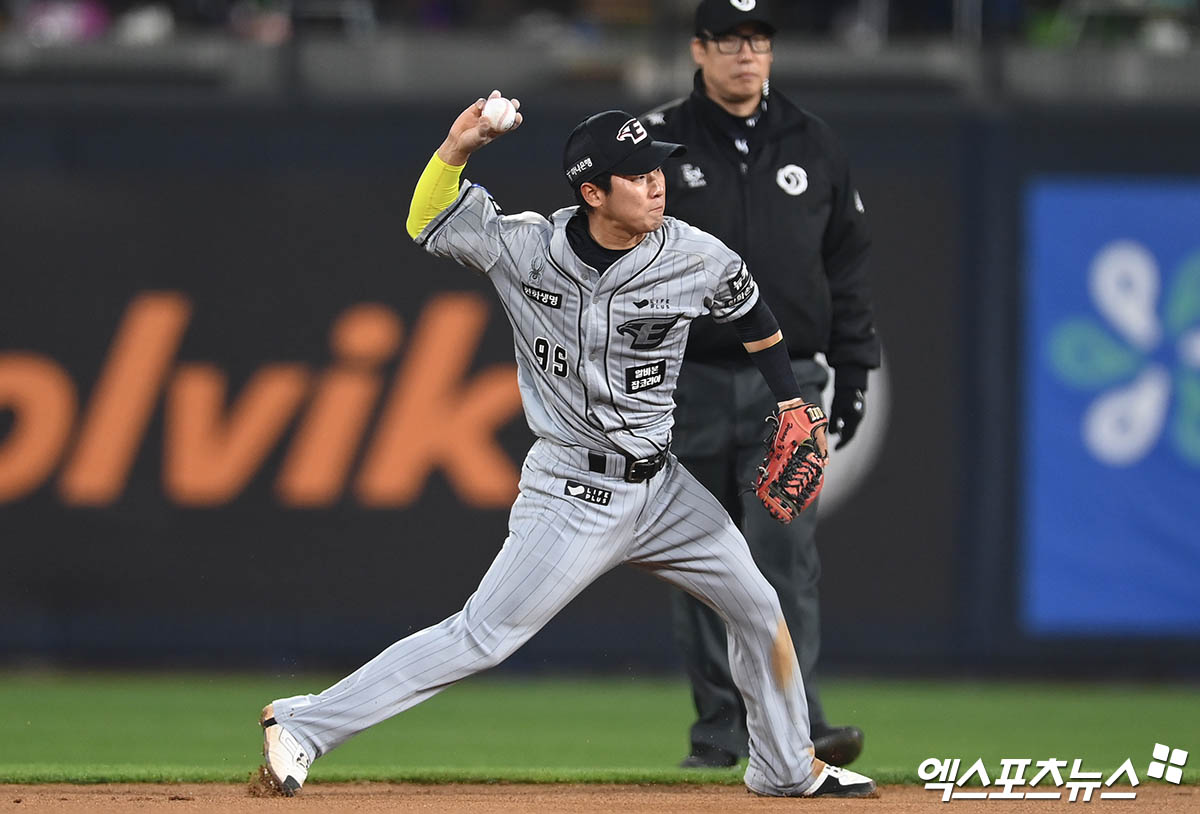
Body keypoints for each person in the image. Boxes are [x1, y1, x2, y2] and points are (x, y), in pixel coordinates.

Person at [257, 92, 876, 799]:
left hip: (663, 488)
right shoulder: (525, 247)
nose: (656, 184)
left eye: (659, 170)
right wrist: (459, 145)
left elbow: (752, 313)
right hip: (572, 491)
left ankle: (785, 766)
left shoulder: (693, 255)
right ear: (592, 192)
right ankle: (304, 724)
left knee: (756, 605)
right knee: (483, 636)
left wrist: (792, 400)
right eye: (638, 175)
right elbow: (426, 218)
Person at [643, 0, 880, 770]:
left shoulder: (814, 142)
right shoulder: (658, 146)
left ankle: (793, 727)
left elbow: (844, 266)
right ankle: (720, 730)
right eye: (732, 40)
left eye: (760, 39)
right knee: (700, 563)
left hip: (791, 387)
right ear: (699, 49)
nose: (748, 54)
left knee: (785, 558)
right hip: (690, 385)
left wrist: (855, 367)